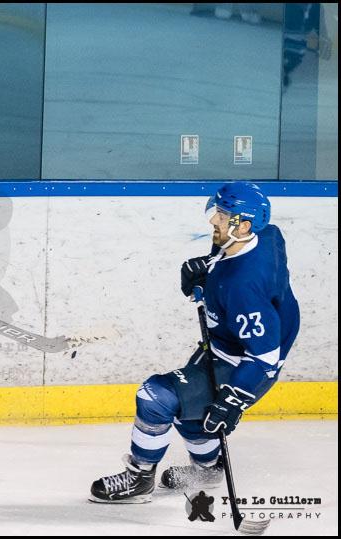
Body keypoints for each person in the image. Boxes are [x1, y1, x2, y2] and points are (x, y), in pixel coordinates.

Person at [89, 181, 300, 503]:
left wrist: (234, 398)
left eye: (222, 216)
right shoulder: (265, 236)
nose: (213, 220)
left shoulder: (243, 287)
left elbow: (264, 357)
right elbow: (235, 267)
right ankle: (208, 470)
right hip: (224, 345)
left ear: (244, 225)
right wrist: (208, 273)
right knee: (190, 413)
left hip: (244, 365)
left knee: (156, 397)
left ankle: (139, 478)